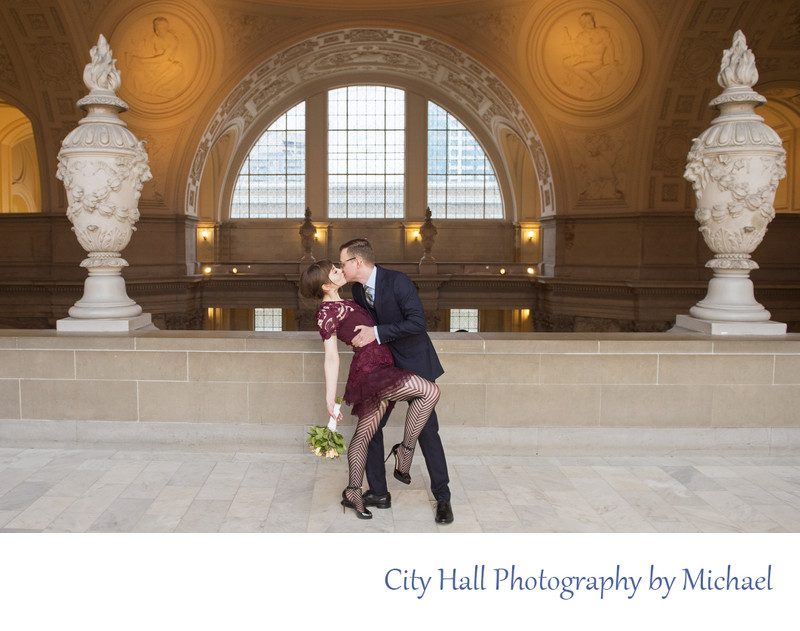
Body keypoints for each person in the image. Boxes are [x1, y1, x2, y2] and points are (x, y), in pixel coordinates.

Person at [299, 259, 440, 520]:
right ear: (327, 284)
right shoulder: (326, 313)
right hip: (371, 371)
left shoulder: (348, 300)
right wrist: (330, 400)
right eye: (335, 270)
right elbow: (331, 357)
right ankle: (404, 451)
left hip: (382, 364)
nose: (341, 270)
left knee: (364, 435)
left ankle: (354, 490)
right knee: (429, 391)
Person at [339, 237, 454, 524]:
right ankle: (379, 492)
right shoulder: (356, 289)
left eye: (343, 263)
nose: (341, 269)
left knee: (428, 431)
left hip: (415, 363)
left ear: (357, 262)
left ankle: (443, 497)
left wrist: (376, 332)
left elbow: (418, 323)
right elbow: (363, 326)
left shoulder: (398, 281)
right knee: (373, 428)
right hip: (385, 366)